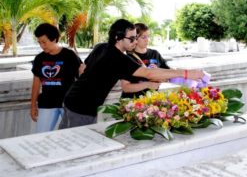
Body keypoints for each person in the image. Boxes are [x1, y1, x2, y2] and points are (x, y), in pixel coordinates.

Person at [59, 19, 205, 129]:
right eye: (132, 38)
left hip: (71, 98)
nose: (135, 42)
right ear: (118, 37)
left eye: (136, 37)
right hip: (82, 107)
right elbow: (149, 74)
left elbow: (83, 68)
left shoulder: (102, 47)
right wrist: (187, 73)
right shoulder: (119, 58)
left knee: (63, 139)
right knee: (78, 146)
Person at [31, 23, 84, 133]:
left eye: (44, 42)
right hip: (46, 103)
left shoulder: (69, 55)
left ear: (54, 39)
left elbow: (82, 76)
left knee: (72, 136)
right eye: (39, 42)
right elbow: (36, 83)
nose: (42, 45)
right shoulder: (39, 58)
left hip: (68, 104)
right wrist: (32, 106)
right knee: (41, 136)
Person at [120, 23, 170, 98]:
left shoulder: (155, 54)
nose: (147, 40)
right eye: (143, 37)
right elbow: (126, 87)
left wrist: (161, 77)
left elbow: (168, 74)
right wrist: (147, 84)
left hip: (152, 102)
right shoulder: (128, 58)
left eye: (148, 36)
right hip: (133, 103)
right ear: (135, 38)